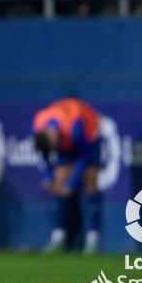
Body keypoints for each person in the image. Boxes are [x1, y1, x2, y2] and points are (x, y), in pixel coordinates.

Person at [32, 97, 103, 254]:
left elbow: (84, 156)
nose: (55, 149)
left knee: (90, 179)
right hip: (67, 138)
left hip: (88, 134)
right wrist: (48, 176)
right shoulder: (38, 124)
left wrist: (72, 183)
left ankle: (93, 238)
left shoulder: (75, 129)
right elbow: (44, 154)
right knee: (59, 182)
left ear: (52, 137)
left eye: (54, 146)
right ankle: (59, 237)